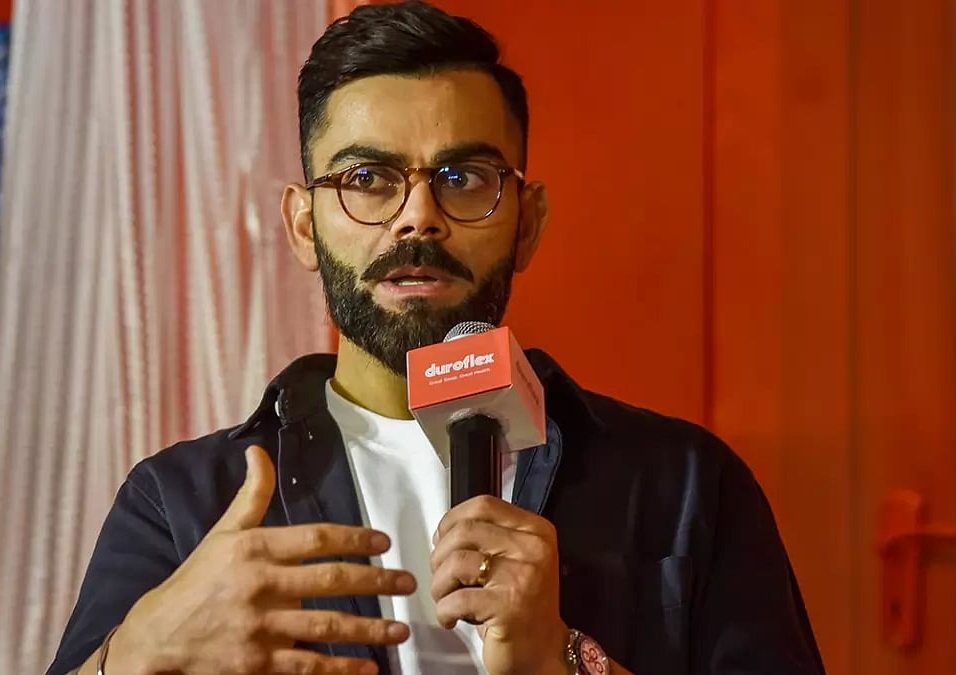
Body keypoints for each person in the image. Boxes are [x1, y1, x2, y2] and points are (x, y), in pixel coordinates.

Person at [49, 2, 826, 674]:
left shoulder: (686, 484)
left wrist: (561, 659)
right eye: (367, 179)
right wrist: (143, 648)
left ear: (528, 223)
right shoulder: (186, 501)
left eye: (463, 179)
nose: (418, 216)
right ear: (301, 225)